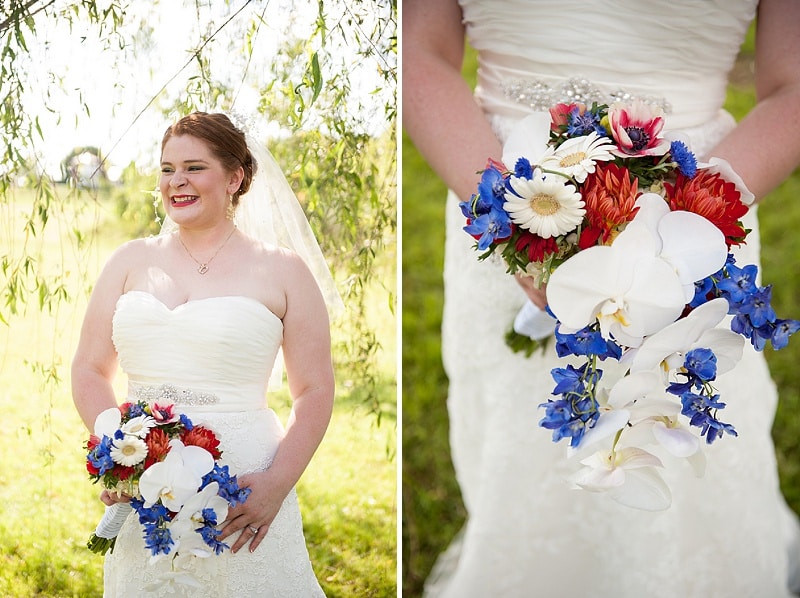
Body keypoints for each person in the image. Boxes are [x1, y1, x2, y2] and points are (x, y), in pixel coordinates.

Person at [404, 1, 800, 596]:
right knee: (520, 437)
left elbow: (792, 84)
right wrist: (512, 219)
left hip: (702, 202)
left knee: (679, 425)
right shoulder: (509, 209)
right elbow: (419, 51)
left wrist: (687, 217)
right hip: (510, 188)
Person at [71, 112, 335, 596]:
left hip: (244, 486)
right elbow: (89, 368)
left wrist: (276, 484)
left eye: (194, 167)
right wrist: (118, 452)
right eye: (167, 168)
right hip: (146, 485)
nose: (177, 182)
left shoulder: (283, 271)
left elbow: (315, 390)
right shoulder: (129, 260)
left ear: (235, 177)